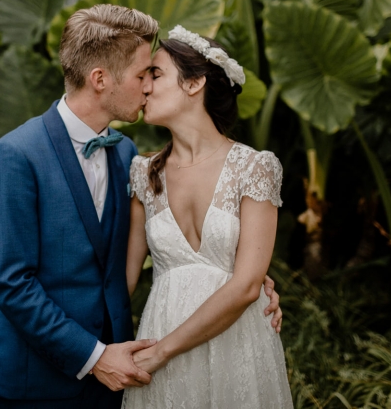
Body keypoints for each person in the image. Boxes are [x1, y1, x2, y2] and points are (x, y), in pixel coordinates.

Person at [0, 5, 283, 408]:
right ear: (100, 79)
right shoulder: (16, 155)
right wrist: (95, 356)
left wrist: (249, 278)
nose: (147, 87)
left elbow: (120, 263)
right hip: (38, 380)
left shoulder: (127, 156)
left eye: (154, 75)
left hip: (120, 374)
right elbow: (11, 283)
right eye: (143, 75)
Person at [122, 26, 293, 408]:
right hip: (157, 339)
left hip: (237, 341)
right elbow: (121, 281)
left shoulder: (255, 168)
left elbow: (248, 285)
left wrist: (163, 351)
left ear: (195, 83)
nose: (144, 87)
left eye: (156, 74)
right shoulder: (141, 174)